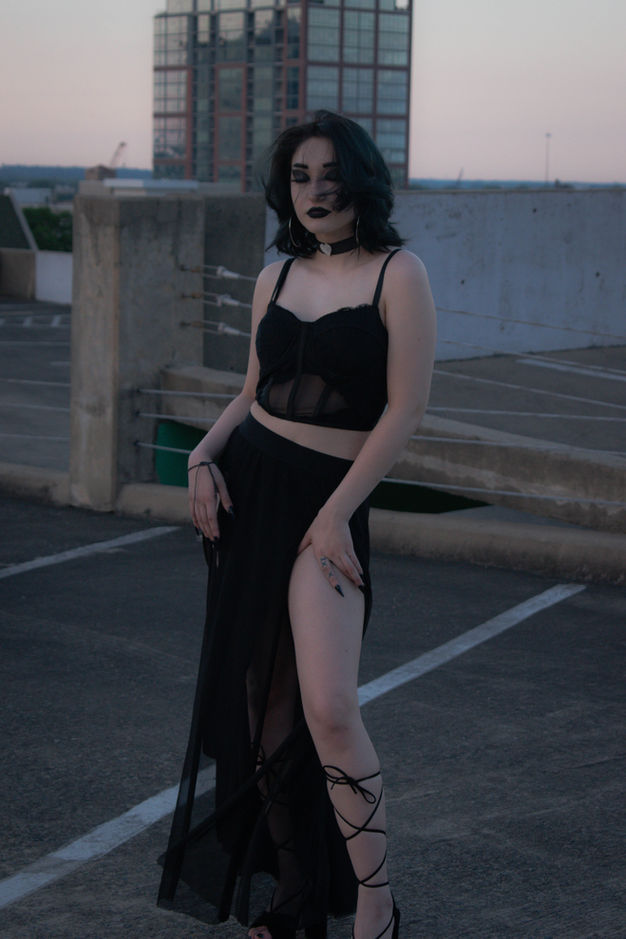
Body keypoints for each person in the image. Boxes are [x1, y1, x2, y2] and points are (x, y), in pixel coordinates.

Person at [158, 111, 436, 939]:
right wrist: (200, 457)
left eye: (330, 173)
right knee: (264, 707)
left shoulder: (398, 273)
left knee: (329, 704)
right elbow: (252, 391)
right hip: (250, 486)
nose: (315, 190)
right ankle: (295, 902)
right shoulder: (274, 277)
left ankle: (378, 901)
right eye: (300, 175)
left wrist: (336, 515)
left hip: (328, 500)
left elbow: (406, 408)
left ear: (361, 179)